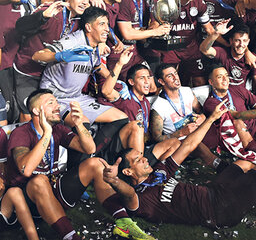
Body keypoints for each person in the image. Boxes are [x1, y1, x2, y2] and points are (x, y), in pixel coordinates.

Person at [101, 100, 256, 228]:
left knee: (243, 163)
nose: (144, 158)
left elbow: (187, 146)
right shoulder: (141, 198)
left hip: (213, 191)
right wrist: (113, 180)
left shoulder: (158, 174)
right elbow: (128, 192)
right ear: (129, 171)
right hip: (221, 211)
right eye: (138, 160)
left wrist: (211, 119)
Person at [8, 89, 156, 240]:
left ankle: (124, 222)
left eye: (56, 102)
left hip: (53, 189)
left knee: (96, 163)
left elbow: (89, 148)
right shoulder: (21, 133)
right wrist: (46, 133)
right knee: (39, 181)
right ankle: (72, 237)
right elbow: (26, 170)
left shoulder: (58, 129)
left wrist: (79, 124)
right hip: (28, 201)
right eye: (50, 102)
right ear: (35, 110)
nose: (57, 106)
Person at [13, 0, 90, 122]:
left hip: (51, 76)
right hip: (28, 71)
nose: (84, 2)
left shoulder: (79, 19)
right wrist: (43, 16)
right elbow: (20, 26)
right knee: (30, 114)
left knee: (51, 116)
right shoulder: (51, 10)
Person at [199, 21, 256, 97]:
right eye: (237, 40)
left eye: (244, 41)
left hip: (241, 95)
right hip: (223, 94)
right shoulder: (223, 53)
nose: (241, 45)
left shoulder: (252, 58)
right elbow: (204, 49)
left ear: (248, 42)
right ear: (231, 41)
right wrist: (215, 34)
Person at [150, 63, 205, 142]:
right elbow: (157, 138)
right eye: (169, 76)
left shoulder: (187, 91)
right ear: (161, 81)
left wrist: (202, 117)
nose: (175, 78)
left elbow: (201, 112)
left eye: (175, 73)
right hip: (179, 143)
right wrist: (181, 133)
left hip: (197, 133)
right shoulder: (158, 107)